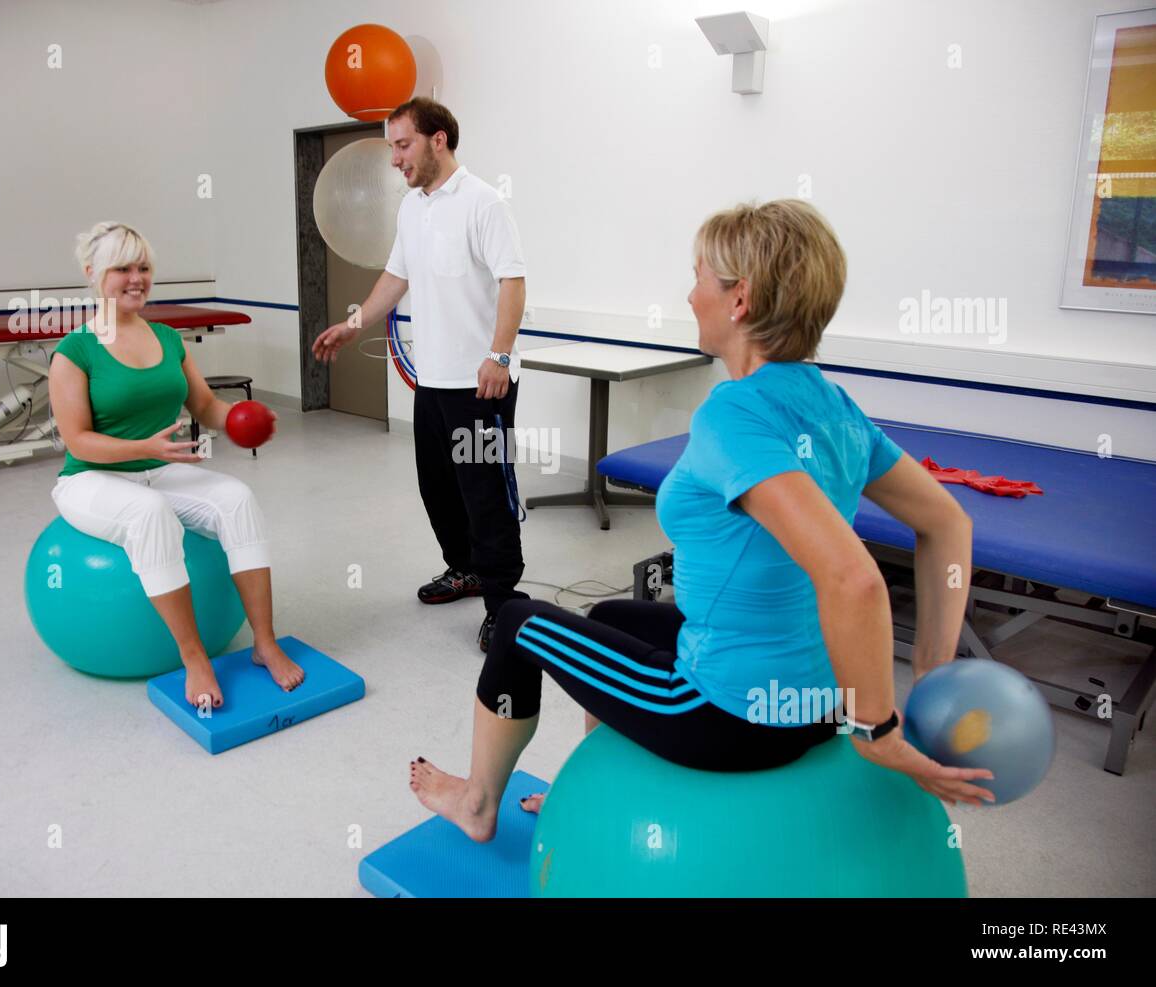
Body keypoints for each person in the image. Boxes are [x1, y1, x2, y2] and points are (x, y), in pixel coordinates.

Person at [408, 199, 996, 841]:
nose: (689, 297)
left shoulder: (733, 414)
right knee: (609, 618)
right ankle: (597, 795)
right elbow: (949, 525)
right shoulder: (835, 406)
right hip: (812, 706)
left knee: (519, 621)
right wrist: (932, 678)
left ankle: (476, 806)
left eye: (698, 278)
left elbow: (853, 581)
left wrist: (879, 729)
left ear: (738, 299)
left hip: (728, 715)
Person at [47, 221, 304, 708]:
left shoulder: (167, 339)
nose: (136, 278)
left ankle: (265, 643)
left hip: (156, 467)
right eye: (122, 268)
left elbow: (205, 406)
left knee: (237, 499)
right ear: (92, 274)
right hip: (91, 479)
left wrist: (245, 420)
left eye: (143, 267)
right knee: (149, 514)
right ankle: (195, 659)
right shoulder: (75, 350)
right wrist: (144, 447)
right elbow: (78, 441)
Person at [312, 98, 529, 653]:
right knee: (439, 488)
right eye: (390, 146)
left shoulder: (484, 203)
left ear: (438, 140)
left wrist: (499, 357)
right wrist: (353, 323)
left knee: (485, 495)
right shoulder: (412, 208)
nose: (393, 159)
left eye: (402, 144)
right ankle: (466, 569)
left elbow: (512, 282)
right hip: (432, 382)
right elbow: (395, 276)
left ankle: (505, 606)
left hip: (481, 383)